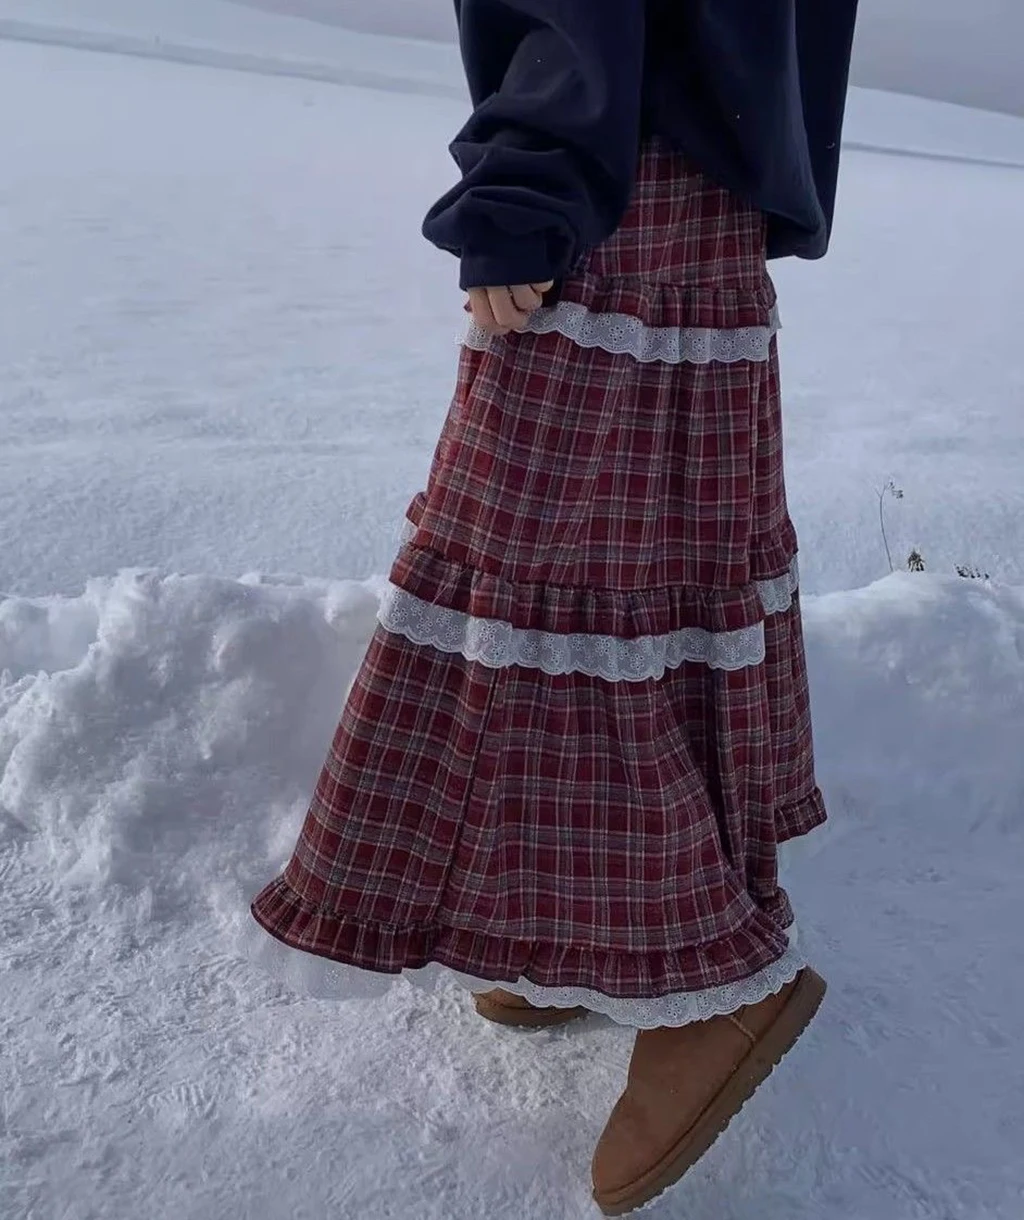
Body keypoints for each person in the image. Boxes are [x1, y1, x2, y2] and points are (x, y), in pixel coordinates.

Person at [249, 0, 860, 1212]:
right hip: (693, 169)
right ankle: (607, 929)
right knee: (653, 579)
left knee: (551, 588)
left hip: (617, 179)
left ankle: (714, 981)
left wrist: (533, 179)